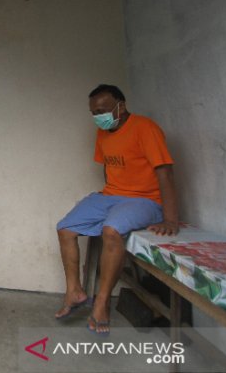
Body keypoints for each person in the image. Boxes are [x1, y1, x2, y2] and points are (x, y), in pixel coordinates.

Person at [55, 84, 179, 336]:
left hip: (145, 200)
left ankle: (101, 303)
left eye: (101, 110)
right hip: (111, 195)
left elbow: (164, 172)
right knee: (65, 228)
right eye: (93, 112)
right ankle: (75, 291)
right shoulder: (103, 133)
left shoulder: (146, 128)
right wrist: (107, 196)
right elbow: (107, 168)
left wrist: (170, 218)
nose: (97, 116)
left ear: (120, 106)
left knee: (111, 230)